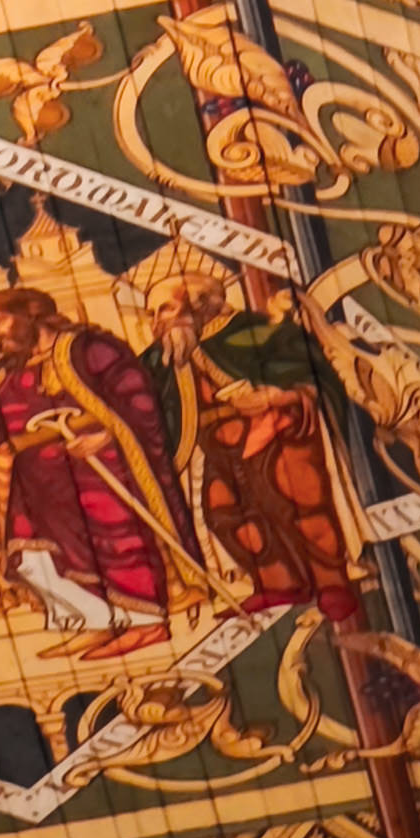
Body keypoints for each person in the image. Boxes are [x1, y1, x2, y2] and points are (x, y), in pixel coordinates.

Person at [0, 283, 197, 658]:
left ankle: (146, 623)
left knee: (118, 543)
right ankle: (94, 621)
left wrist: (106, 435)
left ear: (29, 314)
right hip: (42, 489)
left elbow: (138, 400)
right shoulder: (11, 372)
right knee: (34, 556)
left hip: (102, 473)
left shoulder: (91, 349)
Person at [146, 268, 362, 625]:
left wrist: (277, 396)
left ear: (200, 304)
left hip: (278, 432)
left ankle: (332, 584)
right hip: (218, 449)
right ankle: (278, 582)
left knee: (304, 506)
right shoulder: (165, 355)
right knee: (224, 513)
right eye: (151, 314)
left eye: (165, 309)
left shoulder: (258, 331)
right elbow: (136, 398)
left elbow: (310, 374)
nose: (157, 322)